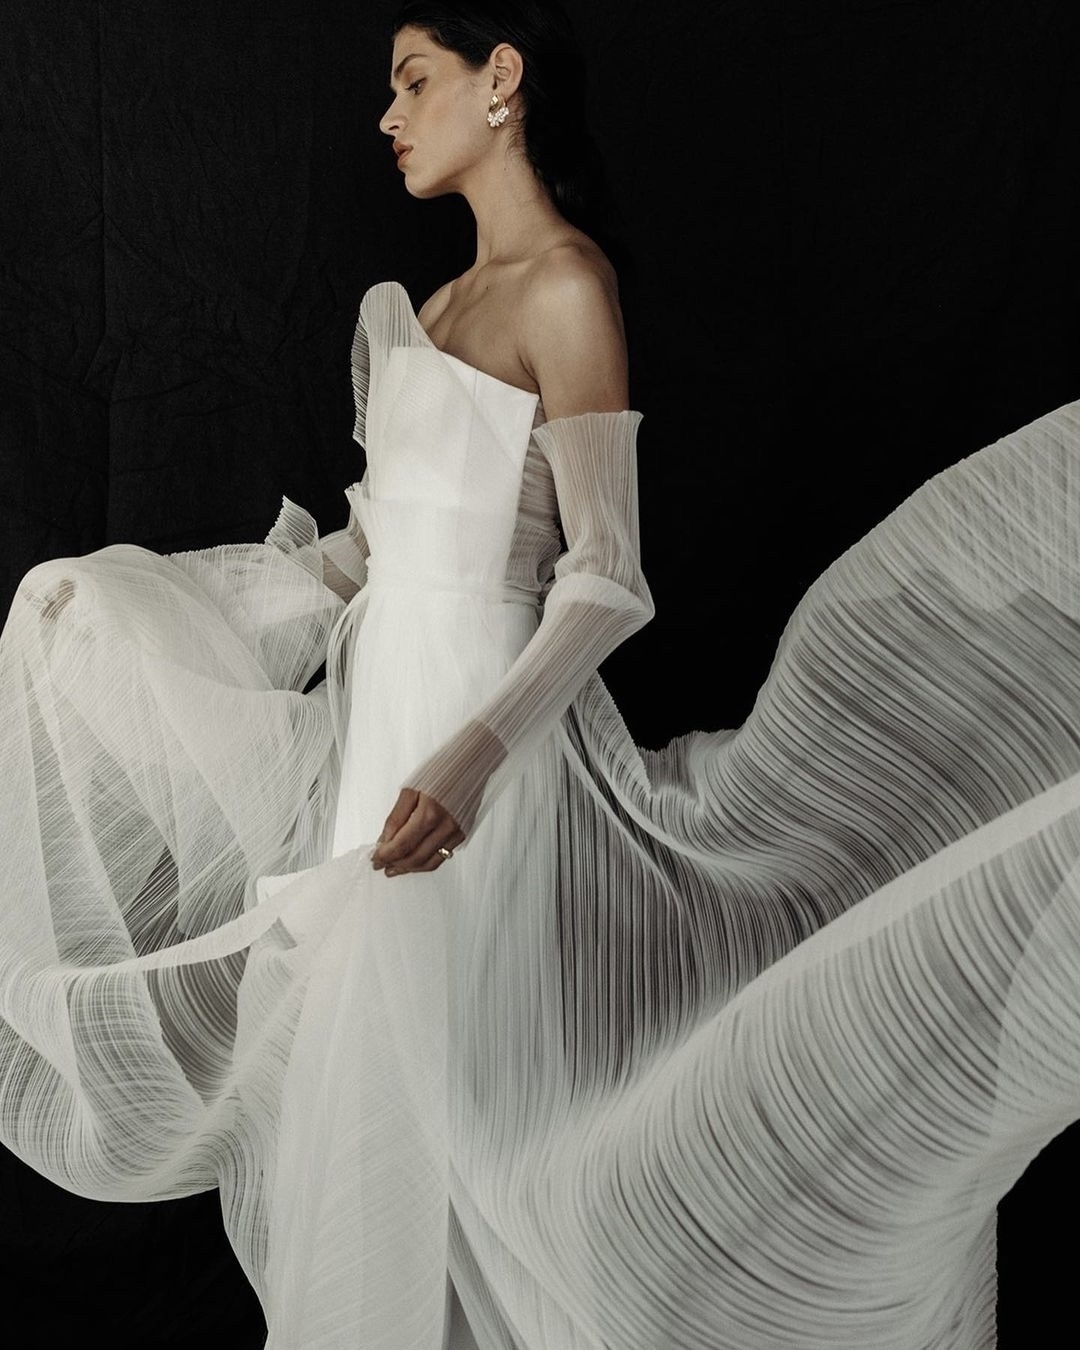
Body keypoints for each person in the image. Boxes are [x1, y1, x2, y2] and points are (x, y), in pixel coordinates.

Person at [2, 2, 1080, 1348]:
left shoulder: (566, 287)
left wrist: (477, 754)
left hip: (485, 744)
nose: (389, 115)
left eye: (414, 80)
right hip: (378, 736)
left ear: (499, 76)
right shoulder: (420, 316)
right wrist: (134, 601)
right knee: (366, 1101)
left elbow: (609, 574)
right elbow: (362, 560)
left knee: (466, 1100)